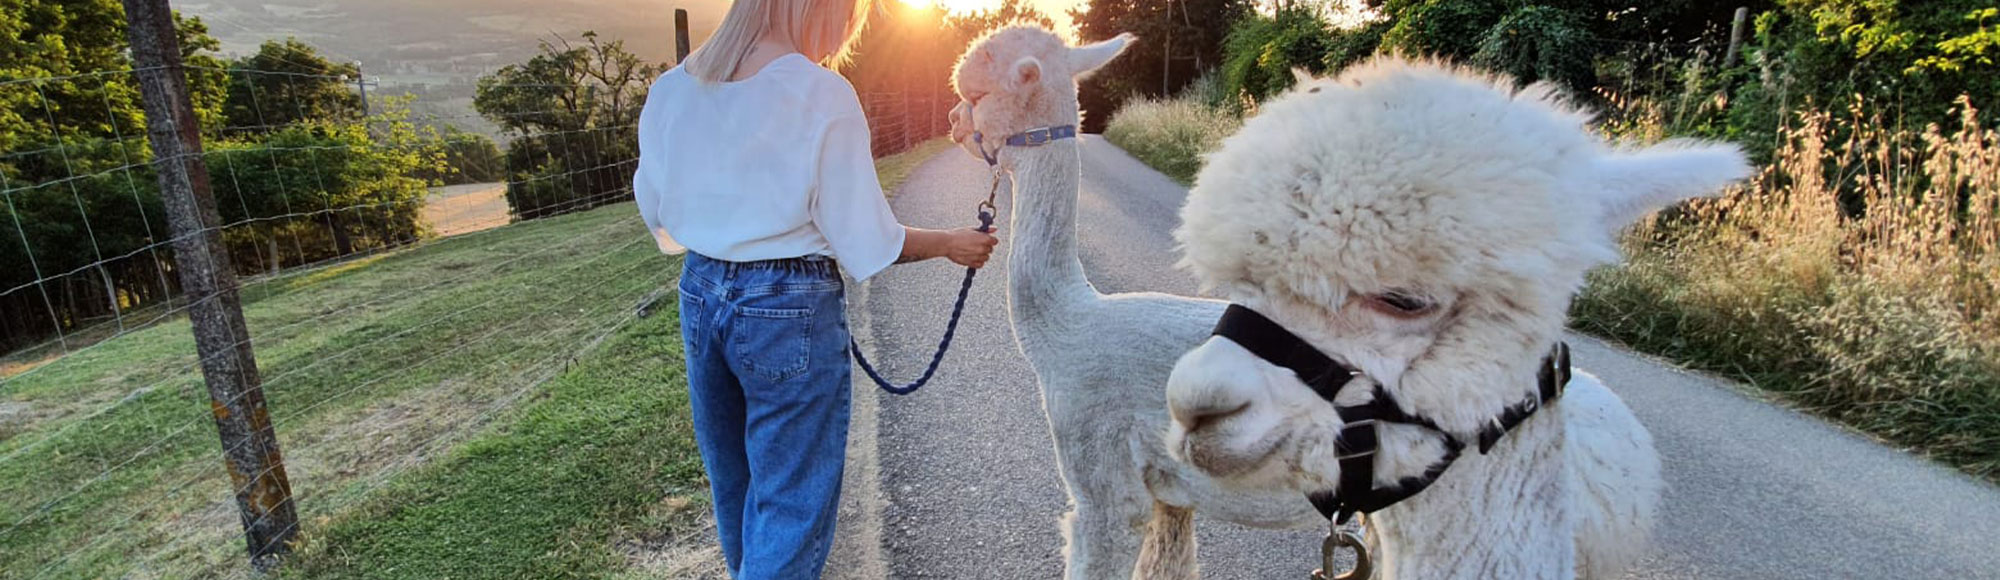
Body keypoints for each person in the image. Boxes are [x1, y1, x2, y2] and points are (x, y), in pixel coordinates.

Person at [631, 0, 998, 577]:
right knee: (792, 503)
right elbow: (865, 239)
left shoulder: (672, 90)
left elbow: (657, 211)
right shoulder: (820, 93)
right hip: (787, 306)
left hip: (701, 291)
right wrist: (951, 243)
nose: (841, 37)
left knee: (737, 483)